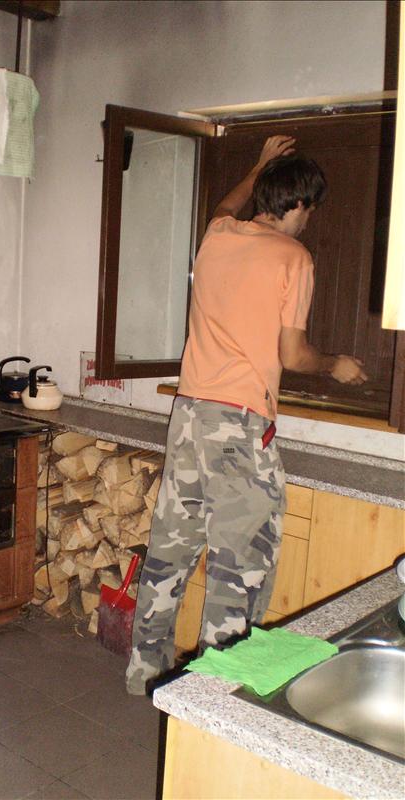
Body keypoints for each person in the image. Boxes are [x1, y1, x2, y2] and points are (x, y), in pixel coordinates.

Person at [126, 136, 368, 696]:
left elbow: (224, 205)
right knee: (240, 570)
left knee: (169, 554)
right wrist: (334, 366)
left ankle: (144, 676)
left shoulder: (218, 236)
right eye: (310, 209)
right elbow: (293, 355)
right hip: (238, 427)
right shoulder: (293, 258)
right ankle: (215, 704)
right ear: (298, 203)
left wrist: (258, 165)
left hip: (188, 417)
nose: (309, 220)